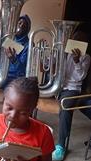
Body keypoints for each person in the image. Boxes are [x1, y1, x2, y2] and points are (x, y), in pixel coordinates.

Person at [0, 77, 55, 161]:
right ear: (3, 100)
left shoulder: (43, 133)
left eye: (22, 113)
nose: (13, 116)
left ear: (32, 110)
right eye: (9, 108)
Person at [52, 23, 91, 161]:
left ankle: (61, 146)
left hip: (73, 89)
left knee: (66, 104)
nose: (76, 42)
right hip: (59, 87)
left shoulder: (86, 57)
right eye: (75, 38)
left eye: (80, 40)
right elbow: (52, 69)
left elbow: (80, 77)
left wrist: (76, 61)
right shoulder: (64, 52)